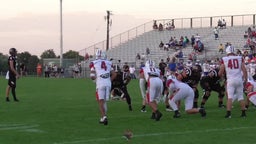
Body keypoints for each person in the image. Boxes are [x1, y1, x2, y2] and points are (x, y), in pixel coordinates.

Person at [89, 49, 117, 125]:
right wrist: (109, 80)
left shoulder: (93, 63)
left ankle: (104, 117)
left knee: (100, 101)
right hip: (108, 83)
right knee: (104, 101)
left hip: (100, 83)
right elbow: (114, 74)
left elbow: (92, 76)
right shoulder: (109, 63)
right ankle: (102, 118)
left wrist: (95, 79)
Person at [218, 46, 247, 118]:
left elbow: (220, 72)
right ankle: (243, 114)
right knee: (240, 97)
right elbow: (244, 70)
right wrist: (245, 79)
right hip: (239, 79)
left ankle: (229, 114)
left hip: (230, 80)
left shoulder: (224, 59)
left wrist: (221, 77)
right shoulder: (240, 58)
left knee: (230, 97)